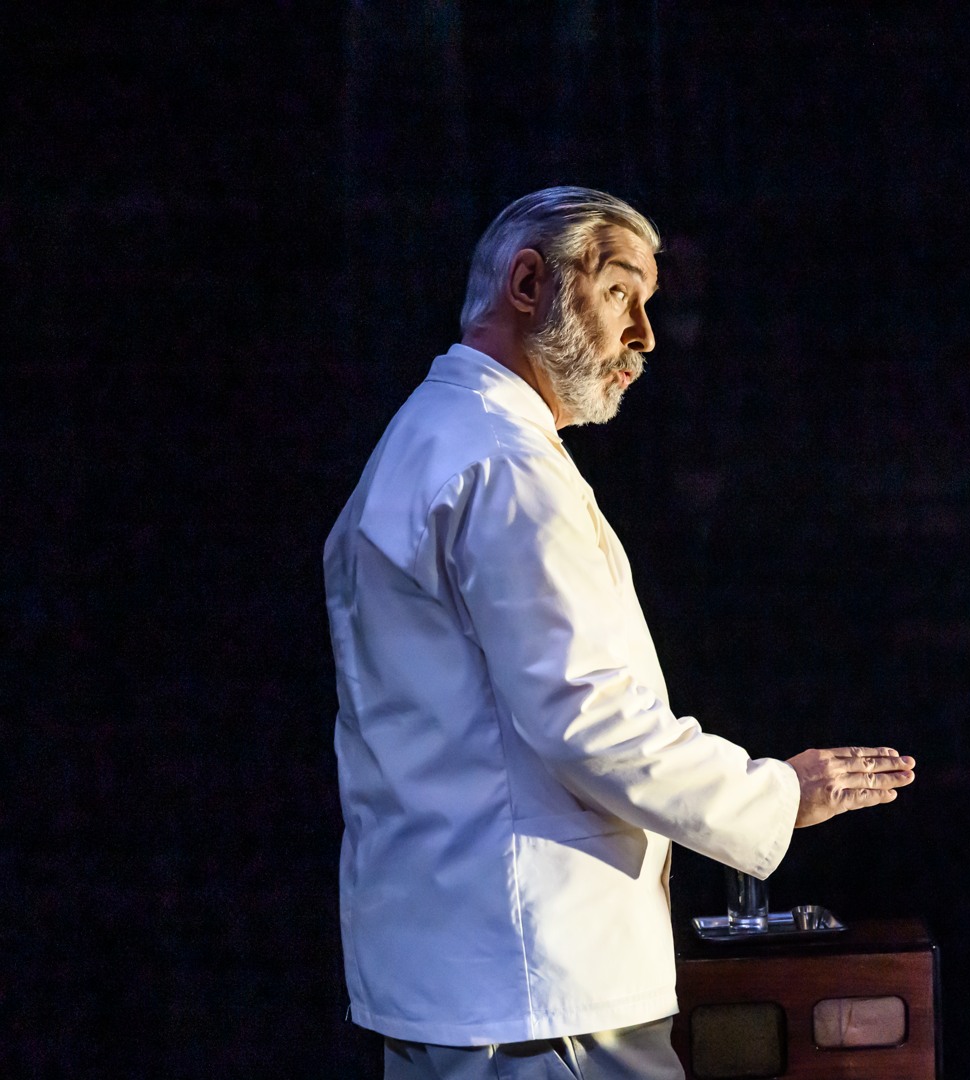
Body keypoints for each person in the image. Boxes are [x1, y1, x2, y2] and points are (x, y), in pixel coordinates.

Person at [324, 186, 916, 1080]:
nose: (643, 334)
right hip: (538, 988)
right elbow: (588, 722)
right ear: (529, 282)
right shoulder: (503, 466)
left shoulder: (423, 440)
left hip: (466, 979)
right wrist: (776, 795)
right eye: (619, 293)